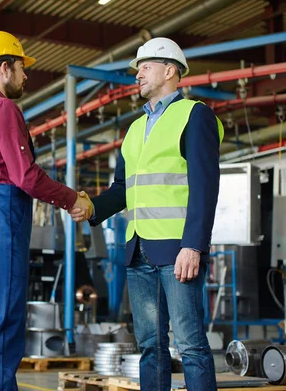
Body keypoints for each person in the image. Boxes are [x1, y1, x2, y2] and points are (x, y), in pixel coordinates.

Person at [70, 37, 223, 390]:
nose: (137, 74)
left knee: (190, 345)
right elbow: (123, 188)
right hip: (138, 250)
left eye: (145, 66)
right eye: (138, 68)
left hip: (177, 251)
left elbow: (205, 187)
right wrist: (92, 206)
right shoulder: (135, 129)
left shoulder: (194, 115)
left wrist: (194, 245)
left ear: (170, 71)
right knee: (151, 347)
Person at [0, 30, 90, 391]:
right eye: (23, 69)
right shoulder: (3, 108)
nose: (26, 76)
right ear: (5, 68)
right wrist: (71, 199)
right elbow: (25, 177)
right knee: (1, 323)